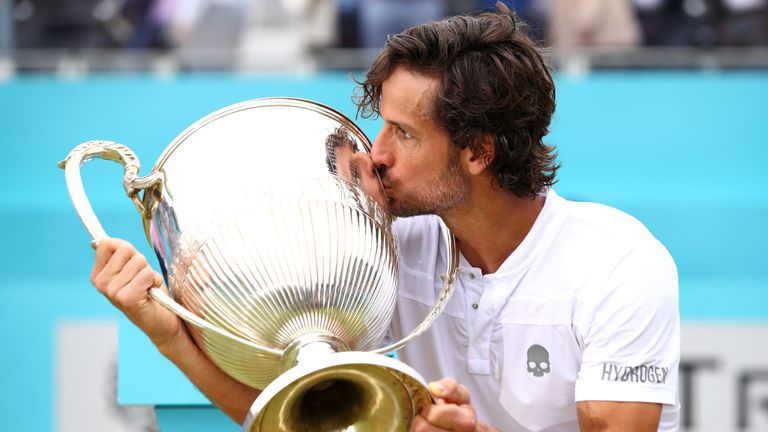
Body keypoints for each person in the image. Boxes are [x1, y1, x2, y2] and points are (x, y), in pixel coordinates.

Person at [90, 3, 680, 431]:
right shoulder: (384, 244)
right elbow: (298, 414)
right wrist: (169, 335)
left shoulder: (619, 264)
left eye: (404, 132)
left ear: (478, 151)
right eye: (381, 126)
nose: (377, 153)